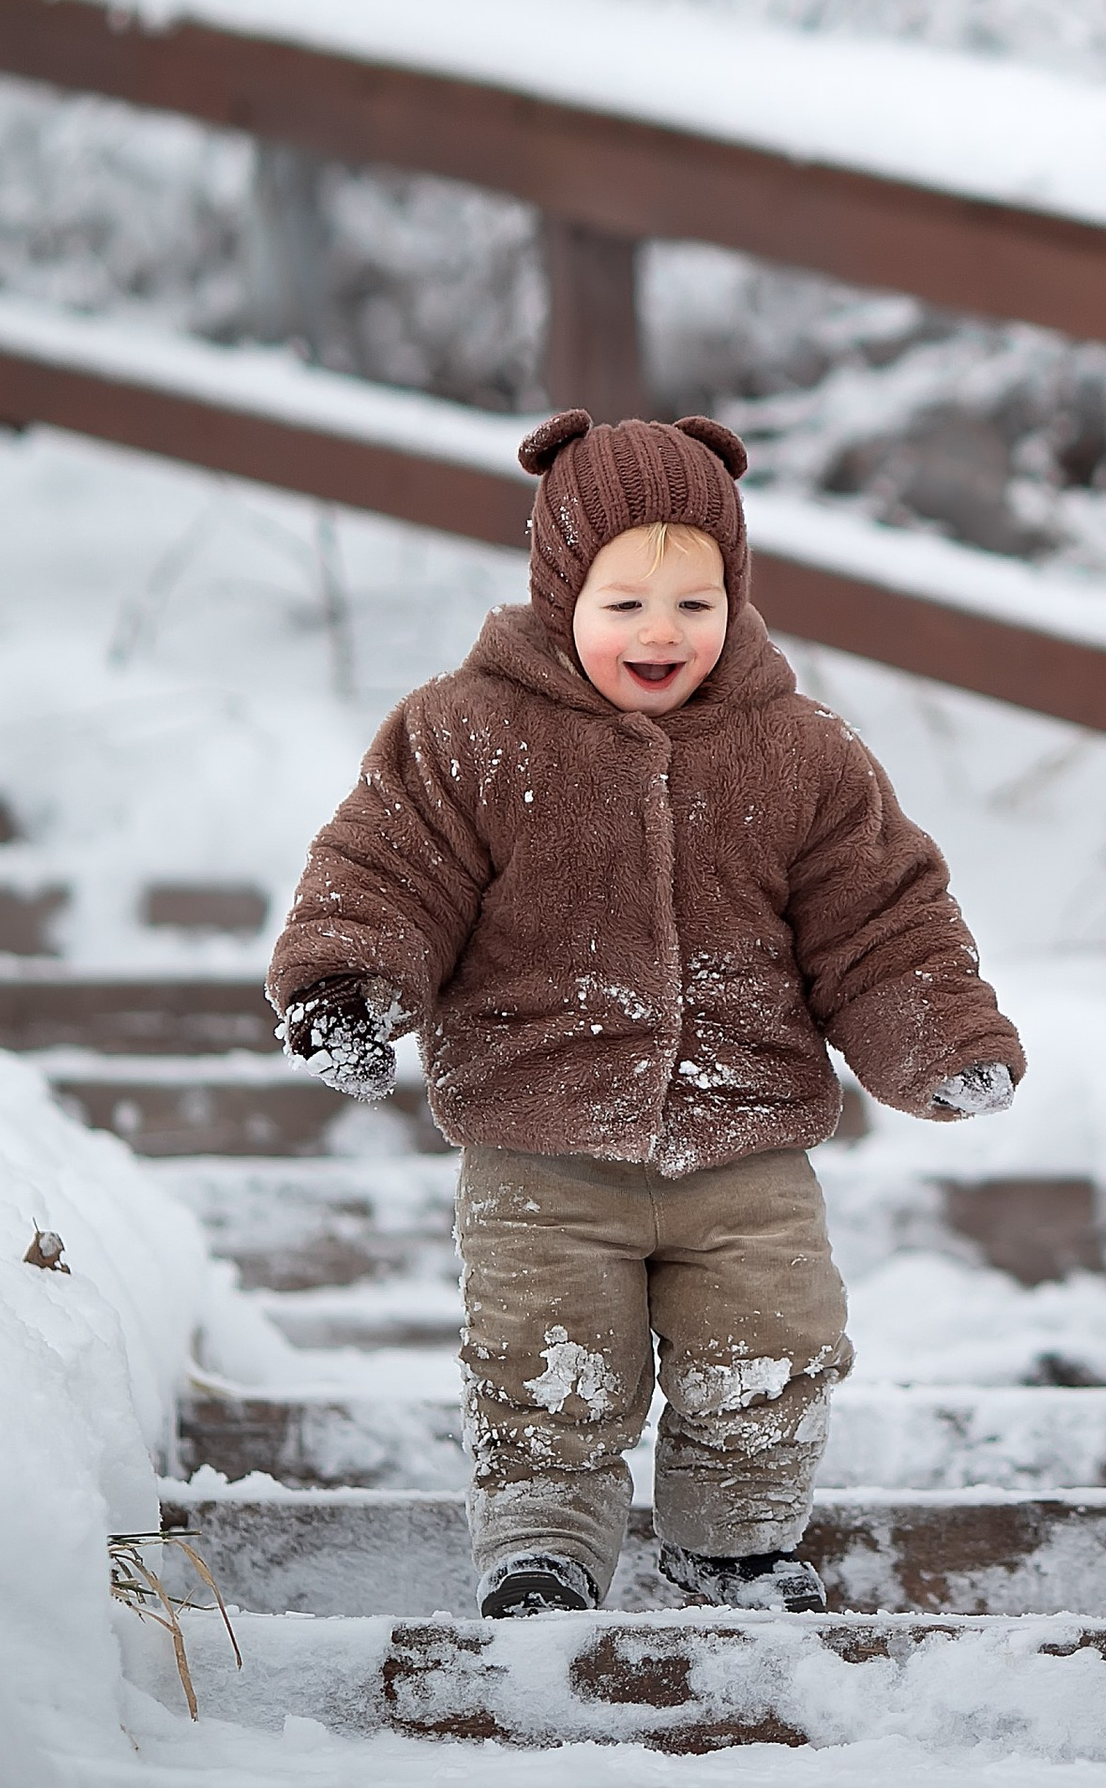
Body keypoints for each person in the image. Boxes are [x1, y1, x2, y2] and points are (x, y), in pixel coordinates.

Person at [268, 406, 1023, 1620]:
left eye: (694, 601)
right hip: (538, 1142)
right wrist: (348, 986)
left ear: (736, 596)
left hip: (747, 1144)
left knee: (769, 1349)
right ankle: (542, 1549)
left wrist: (942, 1039)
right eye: (624, 602)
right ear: (560, 591)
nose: (661, 631)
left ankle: (733, 1545)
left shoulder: (800, 754)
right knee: (546, 1362)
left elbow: (879, 917)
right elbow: (389, 872)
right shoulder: (469, 735)